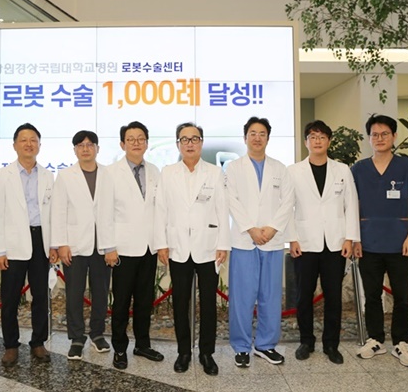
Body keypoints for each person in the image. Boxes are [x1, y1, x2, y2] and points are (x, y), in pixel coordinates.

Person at [352, 114, 408, 368]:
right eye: (374, 134)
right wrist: (355, 238)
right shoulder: (359, 169)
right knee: (372, 295)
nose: (379, 138)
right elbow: (353, 205)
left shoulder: (407, 166)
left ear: (394, 136)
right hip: (368, 243)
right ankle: (375, 339)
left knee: (402, 296)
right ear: (369, 138)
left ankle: (401, 342)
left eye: (385, 133)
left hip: (400, 243)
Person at [154, 122, 230, 376]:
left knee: (208, 303)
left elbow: (222, 208)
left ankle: (206, 353)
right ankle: (183, 352)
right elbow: (161, 210)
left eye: (194, 139)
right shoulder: (168, 172)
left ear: (201, 143)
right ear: (178, 144)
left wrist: (223, 244)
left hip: (208, 247)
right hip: (177, 247)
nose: (189, 143)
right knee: (180, 303)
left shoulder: (214, 173)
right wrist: (161, 244)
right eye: (184, 139)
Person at [286, 120, 360, 365]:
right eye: (312, 137)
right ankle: (306, 341)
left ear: (329, 141)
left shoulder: (342, 170)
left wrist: (350, 238)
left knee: (333, 296)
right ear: (306, 142)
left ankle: (331, 344)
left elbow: (351, 205)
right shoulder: (293, 171)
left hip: (335, 244)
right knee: (303, 296)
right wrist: (292, 238)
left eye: (322, 137)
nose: (317, 141)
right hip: (304, 243)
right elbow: (287, 208)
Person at [0, 123, 55, 367]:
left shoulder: (48, 175)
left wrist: (54, 245)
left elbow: (53, 213)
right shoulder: (2, 175)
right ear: (14, 145)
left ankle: (38, 342)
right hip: (13, 242)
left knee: (41, 296)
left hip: (40, 240)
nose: (29, 144)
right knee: (10, 298)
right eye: (23, 140)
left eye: (33, 140)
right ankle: (10, 346)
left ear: (39, 145)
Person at [225, 116, 289, 368]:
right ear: (245, 138)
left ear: (268, 138)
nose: (257, 137)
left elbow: (288, 201)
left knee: (270, 296)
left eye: (262, 133)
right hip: (244, 240)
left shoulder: (280, 168)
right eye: (253, 133)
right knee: (241, 297)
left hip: (272, 241)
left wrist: (272, 228)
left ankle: (265, 345)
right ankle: (241, 347)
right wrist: (251, 229)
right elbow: (231, 200)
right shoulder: (233, 167)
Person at [50, 130, 115, 361]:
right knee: (74, 294)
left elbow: (113, 212)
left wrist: (111, 246)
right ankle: (76, 338)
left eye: (90, 144)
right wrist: (61, 243)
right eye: (80, 145)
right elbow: (58, 211)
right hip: (74, 245)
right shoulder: (65, 176)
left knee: (101, 293)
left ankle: (97, 333)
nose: (85, 149)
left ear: (97, 148)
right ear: (75, 150)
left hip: (102, 245)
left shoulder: (109, 174)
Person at [106, 121, 164, 370]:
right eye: (131, 139)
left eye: (141, 138)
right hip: (122, 249)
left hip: (148, 248)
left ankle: (143, 344)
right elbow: (104, 213)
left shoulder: (155, 171)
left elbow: (160, 210)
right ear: (122, 144)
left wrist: (161, 243)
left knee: (144, 300)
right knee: (121, 302)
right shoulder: (110, 173)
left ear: (147, 143)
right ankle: (120, 348)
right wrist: (108, 247)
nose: (136, 143)